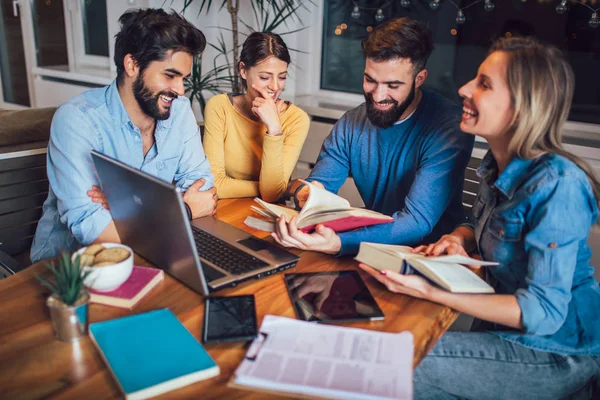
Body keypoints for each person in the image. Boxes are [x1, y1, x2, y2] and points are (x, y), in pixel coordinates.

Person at [359, 36, 600, 399]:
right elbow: (479, 223)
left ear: (522, 107)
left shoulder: (558, 183)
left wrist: (430, 290)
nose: (464, 88)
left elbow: (543, 312)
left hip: (556, 351)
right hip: (498, 333)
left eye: (484, 84)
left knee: (385, 367)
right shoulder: (493, 164)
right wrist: (459, 239)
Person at [272, 17, 474, 256]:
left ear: (419, 79)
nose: (378, 95)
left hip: (432, 256)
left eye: (393, 85)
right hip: (370, 250)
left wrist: (338, 242)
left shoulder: (448, 127)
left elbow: (416, 223)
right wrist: (307, 196)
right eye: (370, 80)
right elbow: (320, 190)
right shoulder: (350, 124)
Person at [30, 9, 217, 263]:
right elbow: (96, 232)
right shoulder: (76, 120)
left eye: (183, 78)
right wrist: (181, 209)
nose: (181, 90)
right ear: (132, 65)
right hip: (70, 271)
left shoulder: (179, 112)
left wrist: (124, 203)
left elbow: (203, 189)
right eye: (170, 75)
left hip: (152, 254)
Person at [202, 32, 310, 202]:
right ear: (243, 71)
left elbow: (271, 195)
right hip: (223, 209)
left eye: (282, 77)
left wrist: (274, 129)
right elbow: (214, 184)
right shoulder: (219, 107)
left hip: (269, 213)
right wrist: (273, 187)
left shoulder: (297, 119)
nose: (275, 86)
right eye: (265, 77)